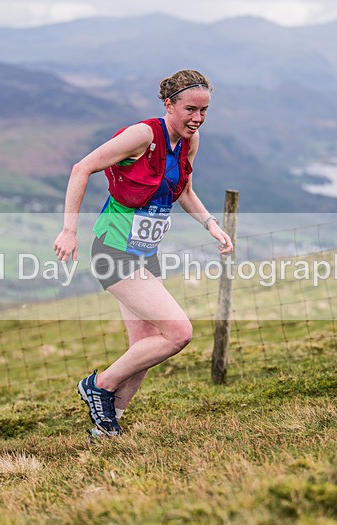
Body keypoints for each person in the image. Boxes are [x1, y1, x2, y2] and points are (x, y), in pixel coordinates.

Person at [53, 69, 233, 437]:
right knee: (179, 333)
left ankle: (107, 427)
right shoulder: (143, 135)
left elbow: (184, 191)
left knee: (145, 347)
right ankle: (98, 386)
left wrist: (211, 224)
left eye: (204, 111)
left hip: (146, 253)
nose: (197, 118)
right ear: (169, 105)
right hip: (113, 250)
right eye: (190, 109)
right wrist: (69, 230)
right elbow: (81, 168)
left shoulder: (189, 141)